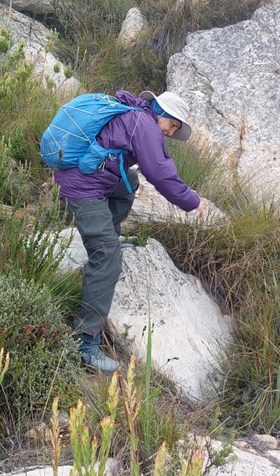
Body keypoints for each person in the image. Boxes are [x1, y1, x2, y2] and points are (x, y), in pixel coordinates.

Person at [53, 89, 207, 374]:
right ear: (161, 112)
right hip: (82, 186)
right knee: (107, 257)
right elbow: (160, 172)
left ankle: (107, 237)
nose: (171, 132)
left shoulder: (136, 115)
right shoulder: (144, 124)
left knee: (129, 183)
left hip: (94, 175)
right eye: (173, 125)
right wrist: (191, 200)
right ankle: (84, 342)